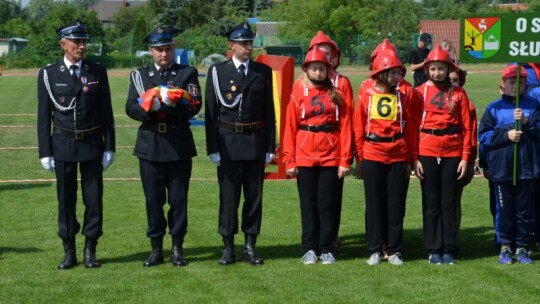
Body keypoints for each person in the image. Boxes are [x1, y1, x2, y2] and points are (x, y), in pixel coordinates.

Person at [37, 20, 115, 269]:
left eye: (84, 42)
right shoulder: (48, 74)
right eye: (76, 42)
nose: (82, 46)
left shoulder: (97, 71)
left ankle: (91, 250)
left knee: (93, 200)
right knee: (66, 200)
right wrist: (45, 151)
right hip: (63, 145)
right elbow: (43, 116)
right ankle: (69, 250)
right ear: (63, 44)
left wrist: (109, 146)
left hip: (92, 144)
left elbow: (107, 113)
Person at [125, 26, 202, 267]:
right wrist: (150, 108)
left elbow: (194, 105)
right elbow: (130, 107)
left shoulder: (187, 72)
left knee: (178, 199)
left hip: (178, 144)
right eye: (159, 50)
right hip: (150, 145)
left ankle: (177, 247)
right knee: (153, 200)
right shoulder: (140, 75)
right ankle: (156, 248)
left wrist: (174, 105)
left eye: (168, 49)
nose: (164, 54)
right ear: (150, 51)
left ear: (173, 49)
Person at [204, 22, 276, 266]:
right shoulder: (218, 72)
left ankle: (249, 246)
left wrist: (269, 147)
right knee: (229, 199)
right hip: (227, 143)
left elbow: (269, 113)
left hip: (255, 143)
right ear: (231, 45)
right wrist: (212, 147)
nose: (248, 47)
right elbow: (211, 113)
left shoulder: (262, 72)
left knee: (254, 198)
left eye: (250, 43)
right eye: (243, 43)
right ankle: (228, 247)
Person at [282, 47, 352, 265]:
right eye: (314, 69)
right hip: (304, 156)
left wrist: (345, 160)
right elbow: (290, 127)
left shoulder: (337, 94)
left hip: (331, 156)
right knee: (308, 204)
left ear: (328, 71)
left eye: (322, 69)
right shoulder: (298, 92)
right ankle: (309, 248)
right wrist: (289, 159)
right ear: (307, 71)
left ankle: (327, 248)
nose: (318, 73)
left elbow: (346, 127)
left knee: (327, 205)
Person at [353, 49, 421, 266]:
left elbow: (410, 128)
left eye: (398, 73)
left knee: (396, 204)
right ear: (381, 73)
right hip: (373, 153)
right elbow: (358, 129)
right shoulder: (365, 96)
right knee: (374, 203)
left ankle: (394, 250)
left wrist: (411, 157)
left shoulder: (404, 96)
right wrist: (361, 159)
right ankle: (374, 249)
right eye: (392, 73)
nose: (397, 77)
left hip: (398, 153)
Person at [413, 45, 473, 265]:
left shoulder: (459, 93)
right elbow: (411, 127)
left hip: (453, 151)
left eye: (441, 68)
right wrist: (415, 158)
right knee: (431, 202)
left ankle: (449, 246)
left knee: (448, 201)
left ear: (449, 69)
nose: (437, 73)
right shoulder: (419, 92)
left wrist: (466, 157)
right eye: (433, 68)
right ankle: (433, 248)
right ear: (427, 69)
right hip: (427, 150)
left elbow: (467, 127)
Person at [478, 65, 540, 264]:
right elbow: (483, 136)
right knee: (504, 209)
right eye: (512, 82)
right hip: (502, 169)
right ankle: (505, 246)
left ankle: (522, 246)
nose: (516, 86)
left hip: (526, 168)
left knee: (524, 210)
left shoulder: (533, 106)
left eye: (520, 83)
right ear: (503, 84)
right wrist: (506, 135)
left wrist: (526, 121)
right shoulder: (494, 108)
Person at [305, 31, 354, 253]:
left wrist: (347, 154)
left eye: (328, 53)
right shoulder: (302, 83)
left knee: (332, 199)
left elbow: (348, 119)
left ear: (334, 57)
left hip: (333, 150)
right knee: (311, 201)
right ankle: (313, 242)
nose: (325, 57)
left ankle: (330, 238)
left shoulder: (342, 82)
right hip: (309, 150)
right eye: (320, 52)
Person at [449, 67, 477, 235]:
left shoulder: (469, 105)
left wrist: (471, 161)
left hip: (459, 158)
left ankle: (453, 238)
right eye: (449, 79)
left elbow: (472, 134)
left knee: (454, 201)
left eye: (455, 80)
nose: (451, 82)